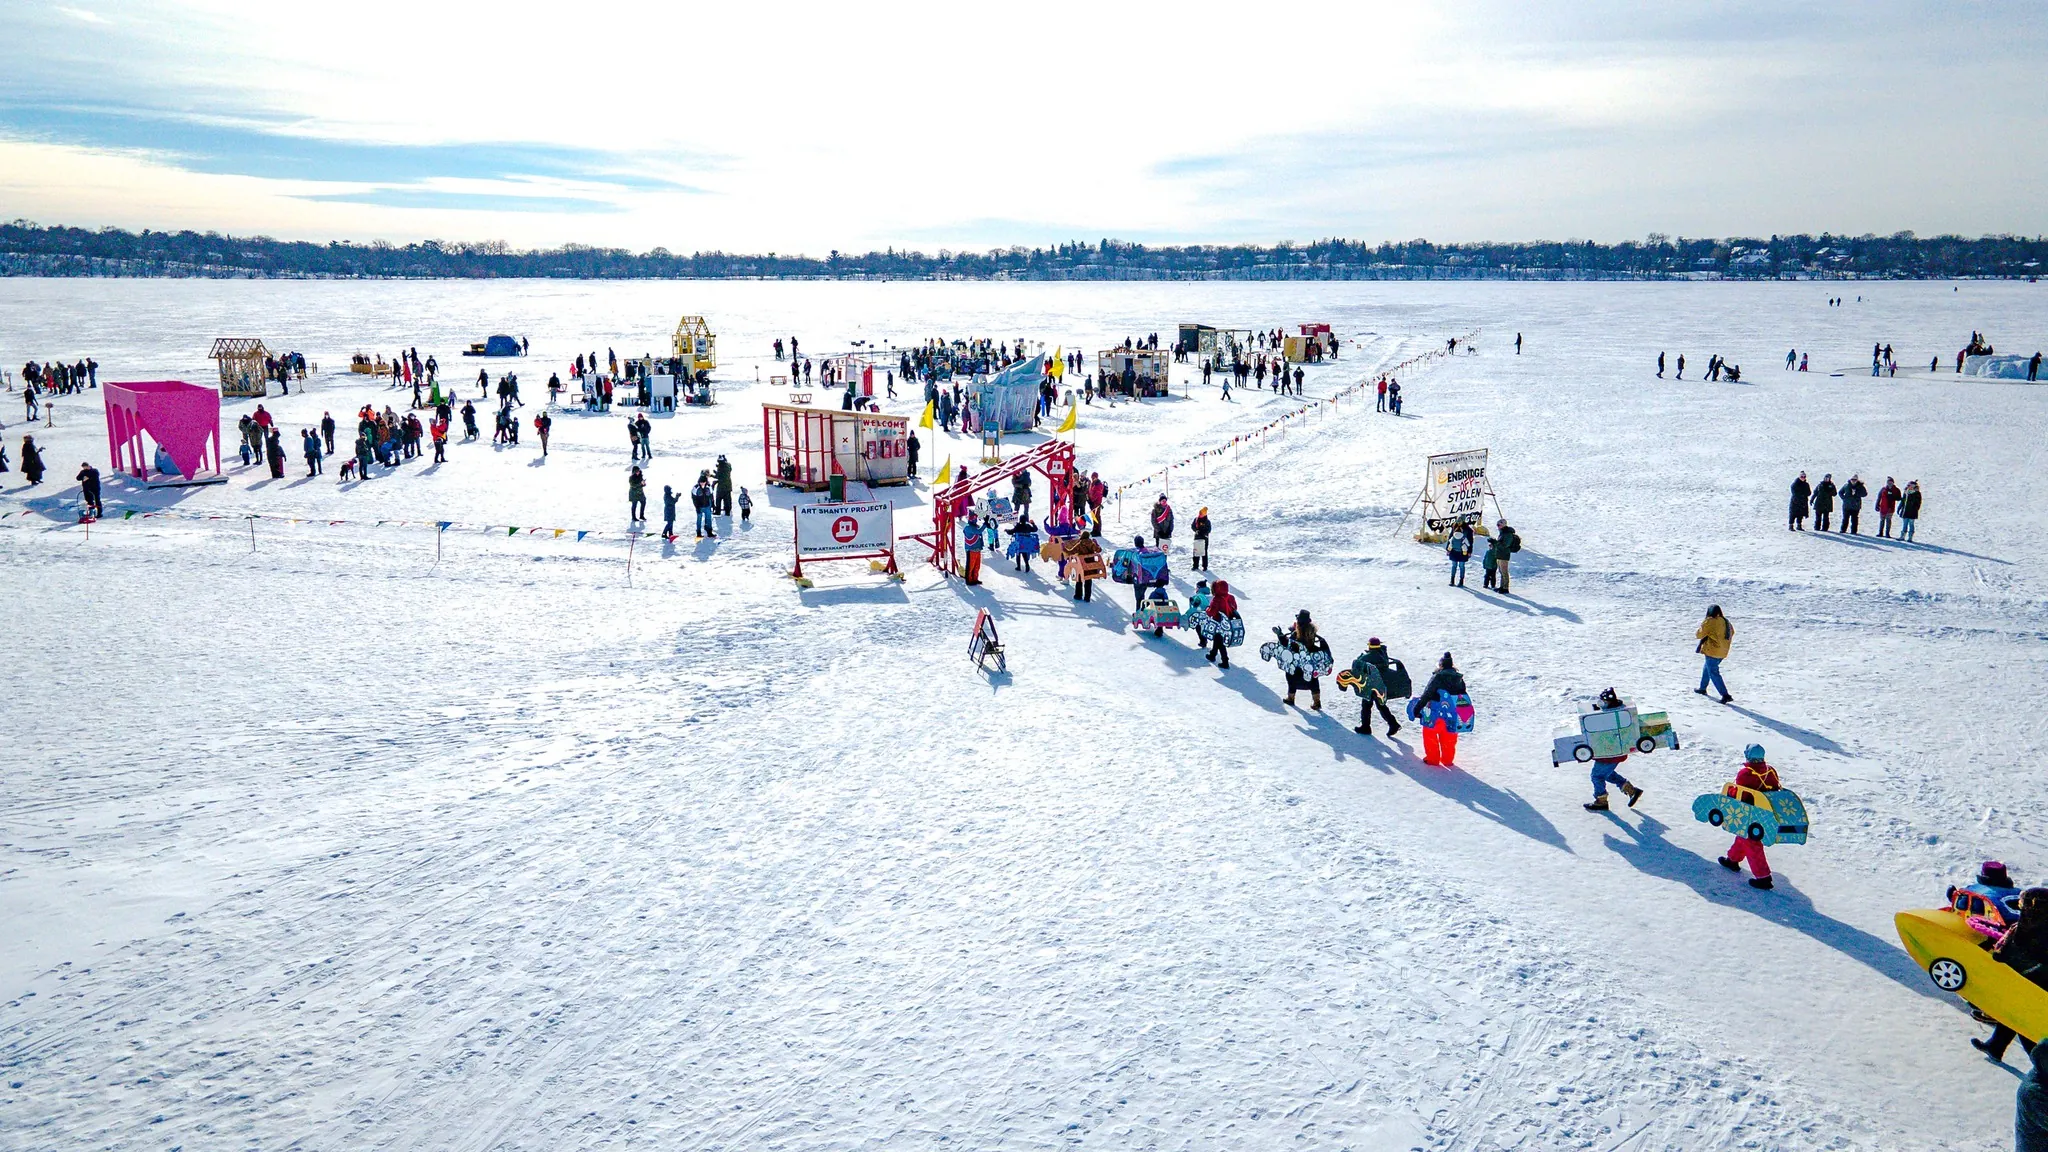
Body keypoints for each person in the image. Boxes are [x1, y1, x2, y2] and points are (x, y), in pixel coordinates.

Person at [1717, 745, 1782, 889]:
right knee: (1743, 836)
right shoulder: (1771, 771)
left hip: (1750, 813)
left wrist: (1731, 792)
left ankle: (1763, 877)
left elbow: (1741, 793)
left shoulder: (1745, 774)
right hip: (1767, 813)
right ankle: (1732, 860)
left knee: (1751, 842)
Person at [1582, 687, 1644, 810]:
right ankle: (1632, 791)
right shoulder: (1617, 712)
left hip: (1609, 753)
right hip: (1613, 753)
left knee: (1597, 776)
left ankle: (1601, 800)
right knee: (1607, 773)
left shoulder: (1609, 716)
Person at [1414, 653, 1468, 766]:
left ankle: (1432, 759)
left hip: (1436, 712)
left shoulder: (1438, 677)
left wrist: (1417, 708)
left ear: (1441, 665)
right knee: (1449, 737)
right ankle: (1447, 760)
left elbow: (1427, 694)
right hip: (1453, 714)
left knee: (1430, 734)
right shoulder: (1459, 679)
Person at [1349, 639, 1401, 736]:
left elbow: (1357, 664)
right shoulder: (1383, 654)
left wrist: (1361, 656)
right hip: (1381, 684)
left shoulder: (1367, 657)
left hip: (1370, 685)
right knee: (1380, 705)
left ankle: (1366, 727)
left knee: (1366, 706)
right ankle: (1392, 724)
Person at [1281, 610, 1329, 710]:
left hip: (1297, 659)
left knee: (1291, 675)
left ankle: (1291, 698)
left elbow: (1287, 644)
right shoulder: (1312, 632)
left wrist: (1280, 636)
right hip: (1310, 659)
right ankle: (1317, 702)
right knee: (1313, 679)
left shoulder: (1295, 634)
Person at [1695, 605, 1734, 702]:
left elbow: (1699, 635)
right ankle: (1702, 688)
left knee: (1713, 672)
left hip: (1713, 651)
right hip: (1723, 651)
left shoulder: (1710, 621)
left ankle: (1725, 695)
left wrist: (1704, 624)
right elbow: (1732, 632)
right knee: (1707, 667)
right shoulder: (1726, 621)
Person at [1491, 519, 1521, 593]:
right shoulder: (1502, 533)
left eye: (1499, 525)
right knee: (1501, 571)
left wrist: (1495, 542)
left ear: (1503, 525)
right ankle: (1502, 586)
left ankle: (1505, 588)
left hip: (1504, 555)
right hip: (1500, 554)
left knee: (1504, 572)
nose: (1498, 527)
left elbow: (1505, 545)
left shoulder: (1507, 534)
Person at [962, 510, 984, 585]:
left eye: (976, 518)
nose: (975, 520)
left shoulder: (975, 526)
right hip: (971, 549)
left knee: (977, 565)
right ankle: (969, 580)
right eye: (974, 518)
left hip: (977, 548)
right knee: (970, 566)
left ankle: (975, 578)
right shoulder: (968, 527)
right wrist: (985, 525)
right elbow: (978, 532)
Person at [691, 473, 715, 538]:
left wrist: (713, 504)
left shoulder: (709, 487)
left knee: (709, 519)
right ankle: (698, 532)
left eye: (703, 482)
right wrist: (697, 507)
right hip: (699, 507)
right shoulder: (695, 488)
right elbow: (694, 498)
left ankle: (709, 531)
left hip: (707, 506)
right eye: (701, 482)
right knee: (699, 519)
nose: (702, 484)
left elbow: (711, 496)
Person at [1190, 507, 1212, 571]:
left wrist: (1202, 532)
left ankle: (1205, 566)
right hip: (1197, 537)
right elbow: (1193, 526)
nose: (1200, 514)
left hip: (1204, 538)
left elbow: (1209, 530)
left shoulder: (1207, 521)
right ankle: (1195, 565)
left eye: (1202, 513)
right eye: (1200, 513)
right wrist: (1196, 530)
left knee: (1204, 552)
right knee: (1196, 551)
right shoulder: (1196, 519)